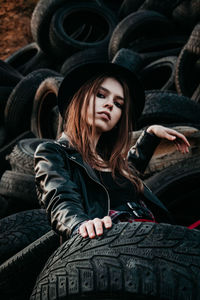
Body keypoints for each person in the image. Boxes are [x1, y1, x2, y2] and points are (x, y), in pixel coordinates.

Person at [34, 55, 190, 241]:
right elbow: (59, 198)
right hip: (109, 246)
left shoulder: (112, 163)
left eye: (118, 104)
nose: (109, 104)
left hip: (156, 236)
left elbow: (129, 172)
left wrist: (150, 134)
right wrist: (80, 225)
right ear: (79, 99)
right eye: (101, 95)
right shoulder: (53, 153)